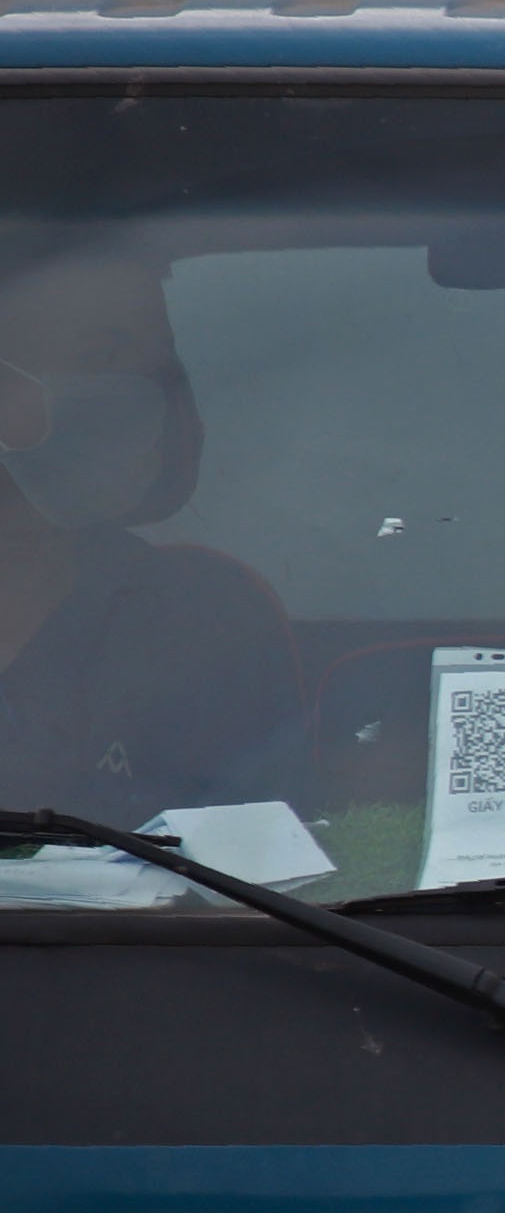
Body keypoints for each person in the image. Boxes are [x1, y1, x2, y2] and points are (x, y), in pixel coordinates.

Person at [0, 253, 299, 821]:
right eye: (104, 358)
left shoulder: (206, 616)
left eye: (159, 367)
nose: (145, 394)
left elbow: (272, 876)